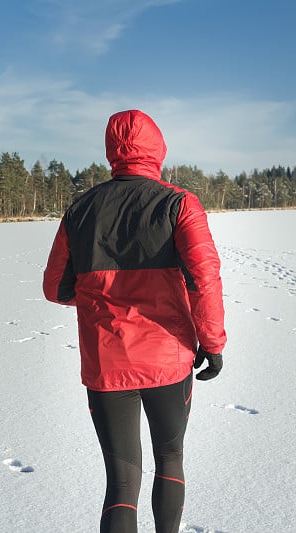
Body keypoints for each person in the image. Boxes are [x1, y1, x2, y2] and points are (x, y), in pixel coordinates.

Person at [42, 109, 227, 533]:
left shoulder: (81, 210)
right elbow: (205, 277)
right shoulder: (179, 203)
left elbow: (56, 287)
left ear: (112, 151)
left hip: (107, 364)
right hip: (168, 358)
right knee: (170, 459)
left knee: (122, 482)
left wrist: (99, 300)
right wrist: (212, 343)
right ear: (157, 148)